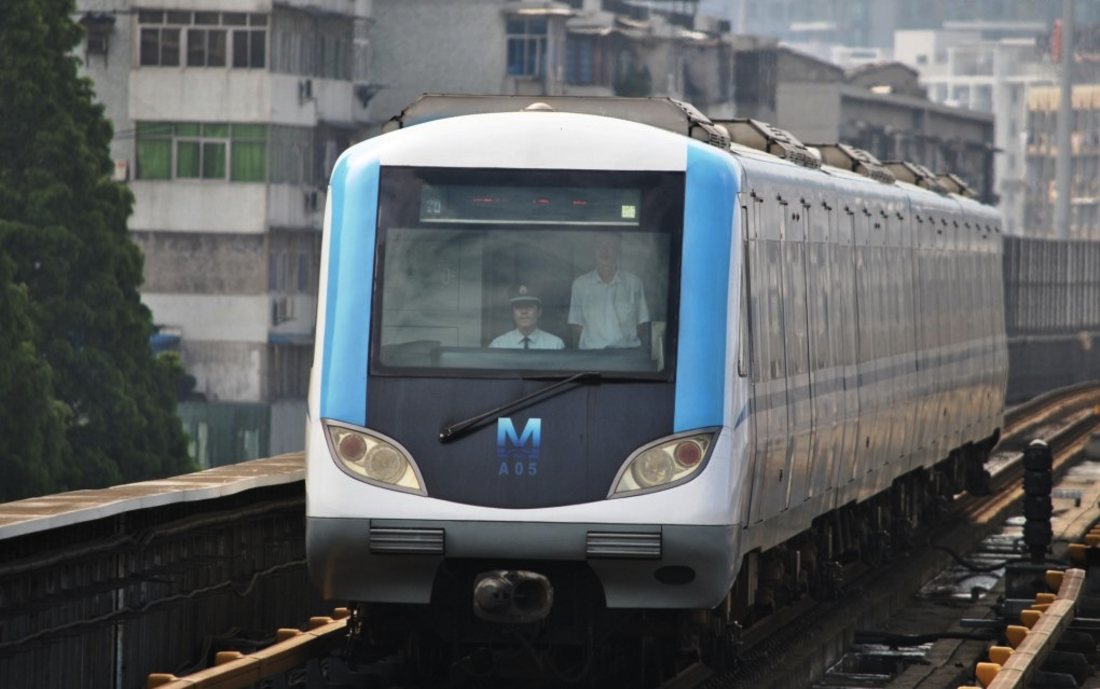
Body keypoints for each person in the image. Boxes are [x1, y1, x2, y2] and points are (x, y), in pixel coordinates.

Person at [568, 232, 650, 349]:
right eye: (599, 245)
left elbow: (642, 323)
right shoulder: (580, 285)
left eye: (610, 246)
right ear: (593, 250)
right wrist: (595, 344)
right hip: (591, 355)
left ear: (619, 250)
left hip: (627, 356)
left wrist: (625, 344)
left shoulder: (633, 283)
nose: (603, 251)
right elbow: (576, 324)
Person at [489, 285, 565, 349]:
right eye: (518, 307)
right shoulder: (499, 345)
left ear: (539, 312)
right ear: (512, 314)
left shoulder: (555, 345)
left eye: (529, 306)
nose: (524, 311)